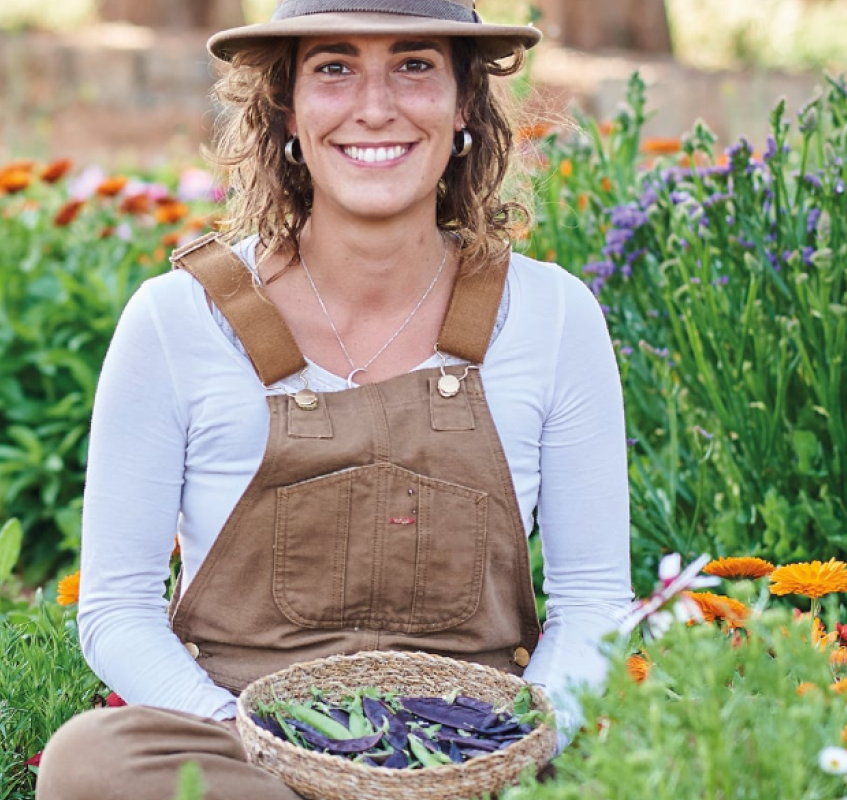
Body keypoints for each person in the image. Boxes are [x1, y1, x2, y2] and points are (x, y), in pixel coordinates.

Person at [35, 1, 632, 797]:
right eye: (335, 67)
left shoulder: (552, 316)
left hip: (478, 751)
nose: (375, 106)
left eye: (415, 65)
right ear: (287, 107)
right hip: (246, 751)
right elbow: (116, 607)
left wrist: (510, 748)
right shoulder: (179, 320)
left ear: (463, 106)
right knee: (93, 764)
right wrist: (251, 745)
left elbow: (593, 598)